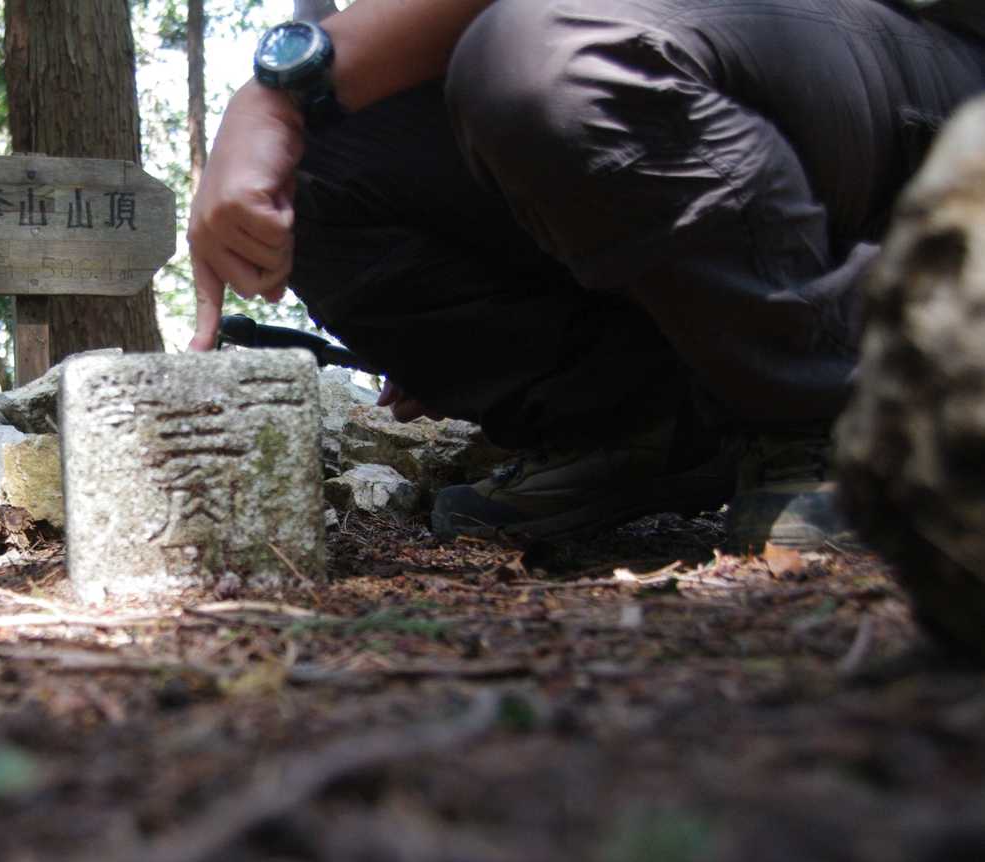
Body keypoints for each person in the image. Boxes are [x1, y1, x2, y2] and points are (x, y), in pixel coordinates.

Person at [187, 0, 985, 549]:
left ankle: (823, 413)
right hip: (686, 81)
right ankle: (633, 427)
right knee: (314, 169)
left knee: (544, 51)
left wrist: (278, 96)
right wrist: (459, 328)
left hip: (902, 68)